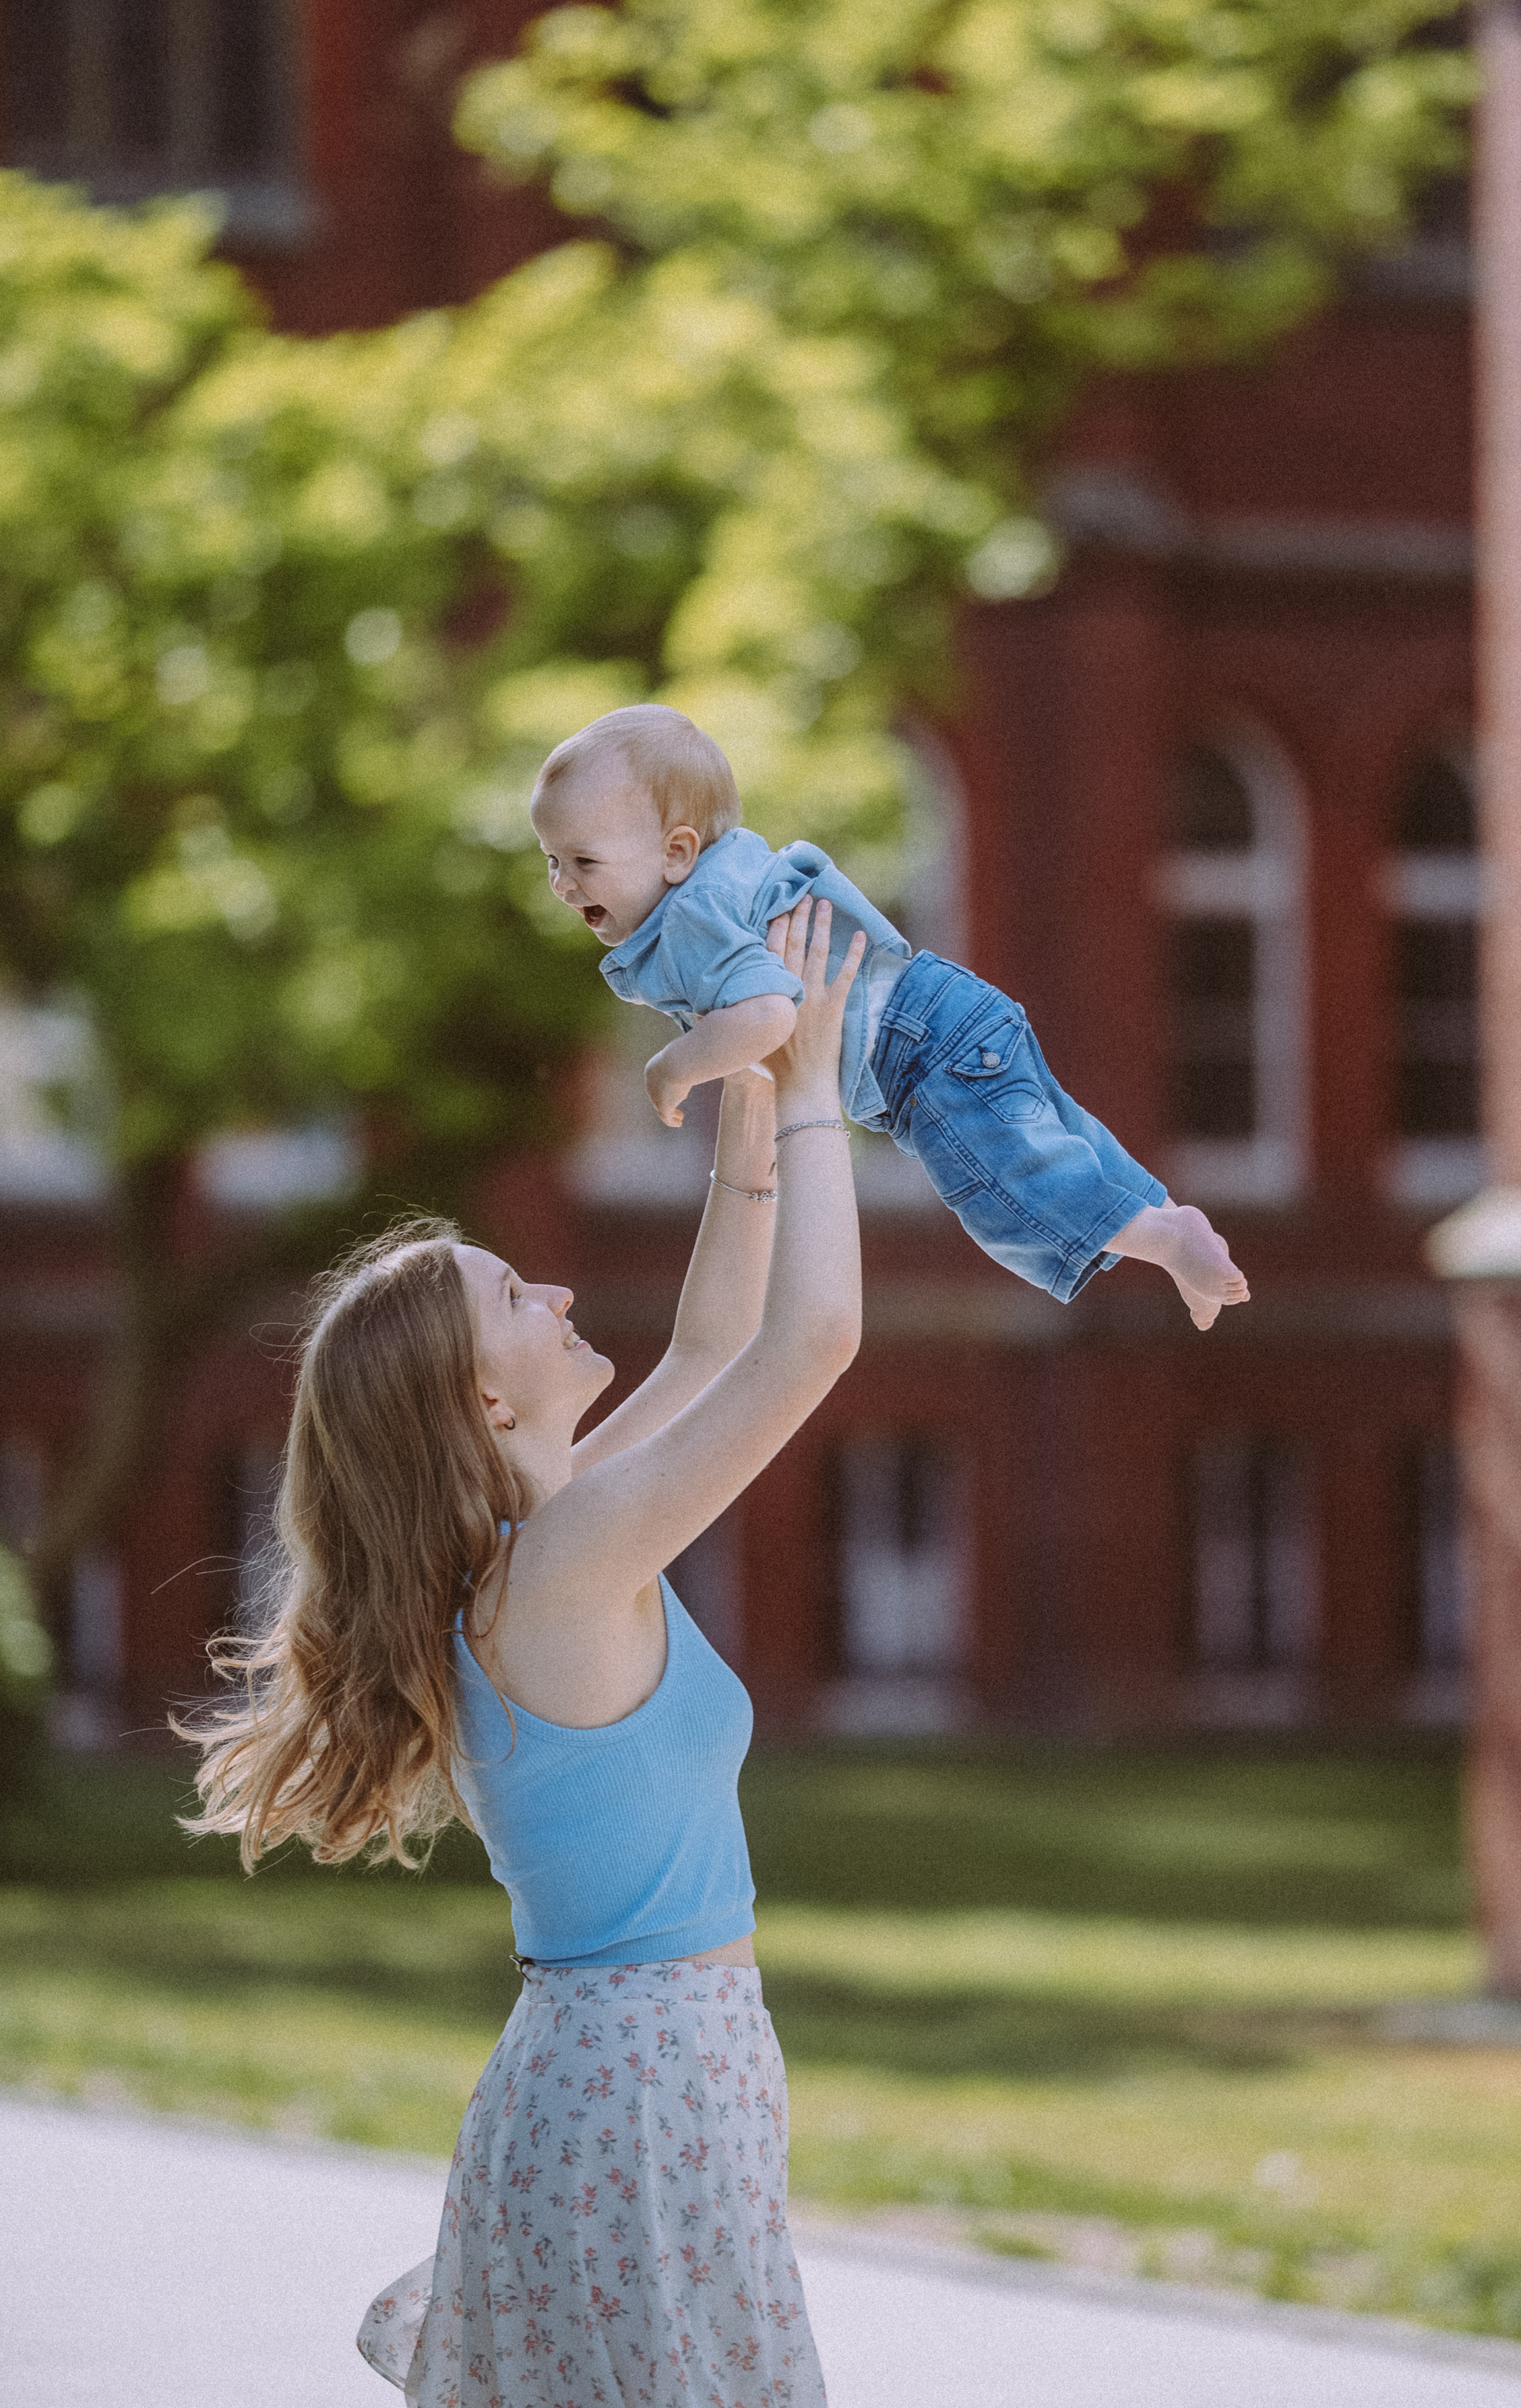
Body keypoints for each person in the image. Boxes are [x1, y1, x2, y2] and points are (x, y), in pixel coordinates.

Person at [179, 893, 865, 2408]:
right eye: (513, 1295)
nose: (555, 1291)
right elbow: (809, 1342)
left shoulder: (545, 1545)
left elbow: (711, 1347)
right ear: (485, 1404)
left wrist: (753, 1101)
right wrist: (820, 1089)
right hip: (643, 2086)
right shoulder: (561, 1570)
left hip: (642, 2075)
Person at [531, 703, 1249, 1327]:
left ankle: (1164, 1238)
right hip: (948, 1009)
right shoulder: (729, 874)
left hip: (919, 1054)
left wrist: (673, 1067)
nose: (563, 885)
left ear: (677, 852)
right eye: (552, 861)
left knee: (1003, 1190)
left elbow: (767, 1015)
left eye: (584, 862)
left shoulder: (694, 915)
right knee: (1057, 1137)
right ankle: (1167, 1225)